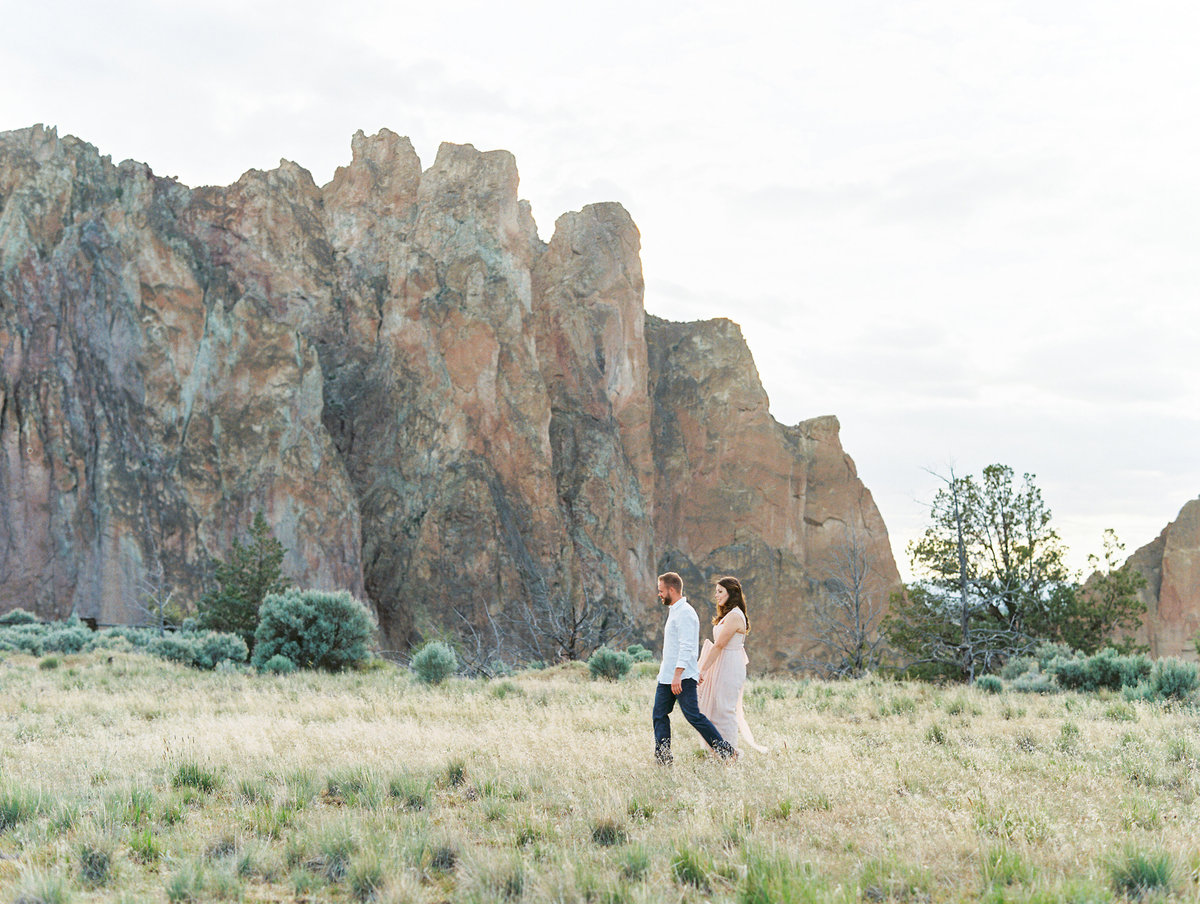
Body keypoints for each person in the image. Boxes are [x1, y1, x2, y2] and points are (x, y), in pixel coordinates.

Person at [652, 571, 736, 765]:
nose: (660, 594)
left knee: (693, 716)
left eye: (661, 591)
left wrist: (678, 675)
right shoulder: (675, 610)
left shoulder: (686, 613)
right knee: (659, 715)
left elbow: (688, 647)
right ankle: (663, 758)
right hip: (666, 677)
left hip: (680, 677)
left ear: (672, 589)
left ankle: (727, 752)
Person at [698, 576, 767, 756]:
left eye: (720, 591)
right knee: (715, 707)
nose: (717, 595)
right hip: (722, 662)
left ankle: (730, 753)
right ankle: (718, 751)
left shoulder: (735, 616)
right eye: (716, 592)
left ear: (732, 593)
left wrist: (703, 669)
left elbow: (720, 645)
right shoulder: (728, 615)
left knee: (725, 709)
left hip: (730, 664)